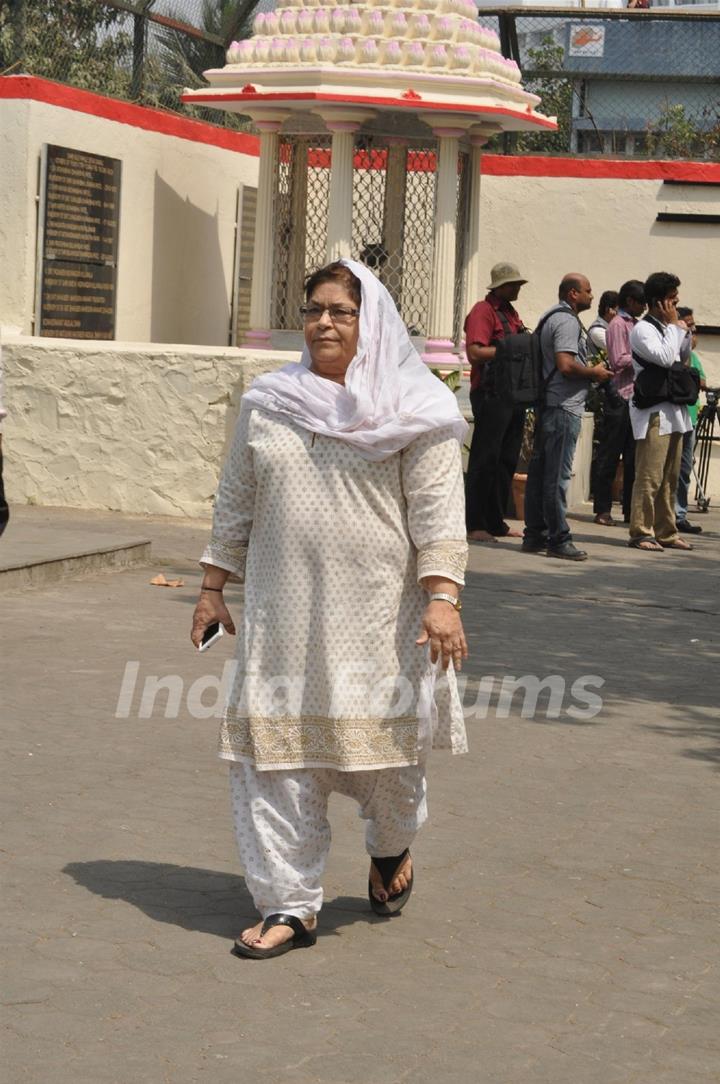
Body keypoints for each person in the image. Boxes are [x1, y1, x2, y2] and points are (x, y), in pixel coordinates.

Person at [191, 259, 469, 960]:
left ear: (369, 321)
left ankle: (390, 847)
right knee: (275, 764)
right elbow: (237, 496)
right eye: (314, 308)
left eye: (341, 311)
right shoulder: (270, 401)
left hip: (381, 622)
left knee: (390, 772)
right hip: (283, 620)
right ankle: (290, 904)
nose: (323, 322)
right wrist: (211, 585)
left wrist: (443, 598)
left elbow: (438, 509)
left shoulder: (416, 408)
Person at [523, 274, 612, 561]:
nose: (591, 294)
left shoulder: (552, 316)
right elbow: (565, 364)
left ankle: (535, 534)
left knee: (540, 474)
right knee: (556, 477)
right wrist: (594, 373)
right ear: (573, 294)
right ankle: (558, 538)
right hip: (563, 406)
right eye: (587, 290)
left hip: (551, 404)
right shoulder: (566, 321)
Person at [628, 272, 693, 552]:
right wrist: (674, 328)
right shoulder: (643, 330)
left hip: (675, 410)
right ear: (658, 302)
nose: (676, 303)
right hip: (653, 411)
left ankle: (667, 530)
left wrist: (683, 331)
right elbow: (666, 359)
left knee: (669, 477)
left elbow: (683, 357)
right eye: (671, 298)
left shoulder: (668, 328)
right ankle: (641, 531)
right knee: (649, 475)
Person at [463, 261, 528, 543]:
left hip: (513, 393)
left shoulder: (510, 313)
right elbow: (476, 352)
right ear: (501, 286)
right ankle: (475, 522)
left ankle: (495, 521)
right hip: (491, 393)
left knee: (506, 460)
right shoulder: (483, 311)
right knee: (485, 459)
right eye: (514, 285)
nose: (517, 289)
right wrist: (508, 350)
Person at [592, 279, 645, 526]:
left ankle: (629, 509)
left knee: (634, 457)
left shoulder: (637, 325)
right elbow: (618, 360)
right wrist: (644, 354)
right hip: (619, 396)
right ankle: (602, 509)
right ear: (630, 301)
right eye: (641, 302)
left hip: (636, 398)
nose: (644, 307)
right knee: (610, 454)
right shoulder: (617, 325)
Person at [675, 307, 707, 534]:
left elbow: (702, 381)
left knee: (685, 468)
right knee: (668, 470)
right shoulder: (674, 352)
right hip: (674, 417)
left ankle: (679, 515)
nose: (694, 331)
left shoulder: (694, 356)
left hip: (691, 418)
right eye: (689, 325)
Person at [587, 291, 619, 358]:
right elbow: (619, 351)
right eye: (618, 311)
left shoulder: (610, 327)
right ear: (608, 310)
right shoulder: (597, 331)